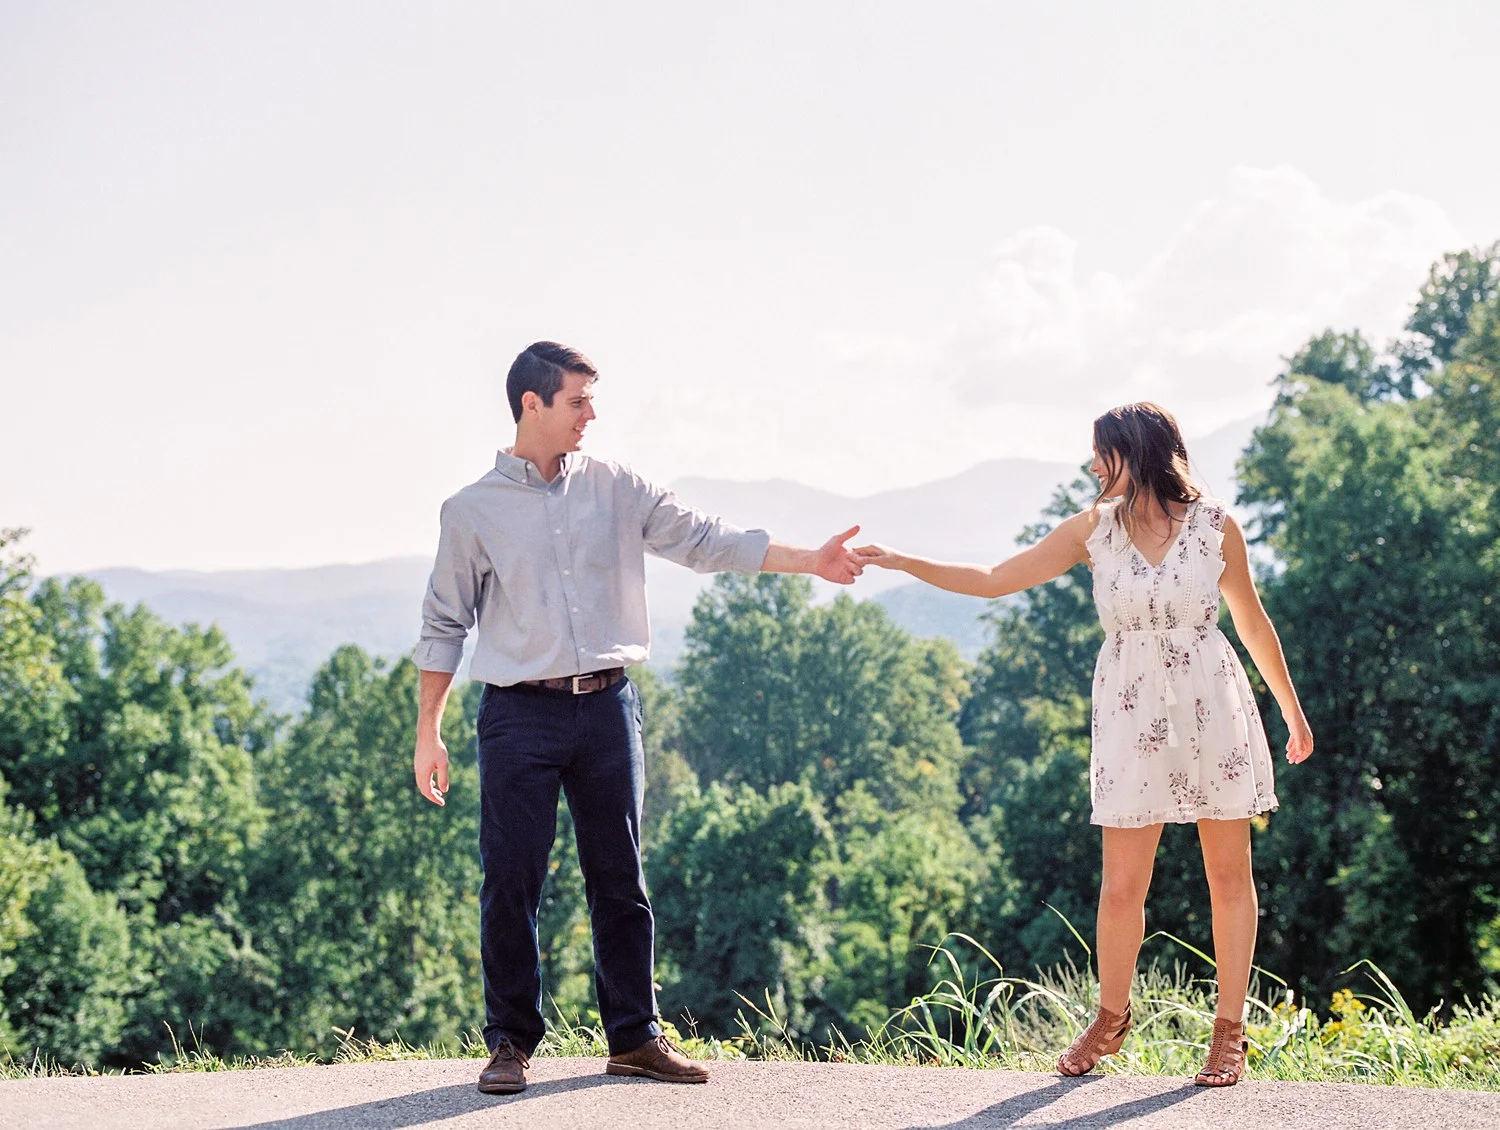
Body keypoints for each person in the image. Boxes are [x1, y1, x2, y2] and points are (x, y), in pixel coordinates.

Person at [411, 341, 862, 1095]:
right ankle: (510, 1044)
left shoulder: (617, 486)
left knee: (621, 879)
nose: (593, 414)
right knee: (511, 882)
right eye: (578, 401)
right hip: (518, 716)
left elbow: (706, 541)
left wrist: (808, 560)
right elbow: (443, 624)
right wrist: (430, 727)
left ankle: (634, 1038)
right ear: (532, 404)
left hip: (609, 708)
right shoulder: (472, 511)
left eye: (592, 399)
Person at [852, 402, 1314, 1087]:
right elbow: (991, 581)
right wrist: (899, 559)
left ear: (1138, 450)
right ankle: (1111, 1016)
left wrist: (1291, 712)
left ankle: (1228, 1032)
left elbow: (1251, 620)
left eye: (1103, 453)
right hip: (1130, 718)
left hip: (1212, 709)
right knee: (1122, 882)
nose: (1094, 466)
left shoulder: (1218, 527)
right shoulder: (1092, 531)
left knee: (1228, 875)